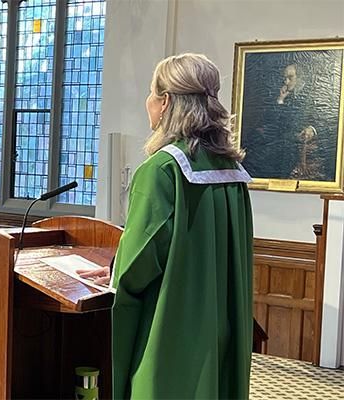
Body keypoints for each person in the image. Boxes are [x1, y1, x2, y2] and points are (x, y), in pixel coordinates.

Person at [78, 53, 253, 399]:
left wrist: (116, 274)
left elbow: (140, 263)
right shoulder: (232, 172)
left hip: (171, 329)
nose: (148, 103)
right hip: (221, 323)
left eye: (150, 93)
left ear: (166, 102)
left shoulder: (162, 170)